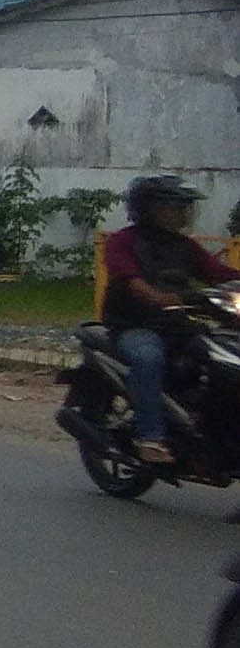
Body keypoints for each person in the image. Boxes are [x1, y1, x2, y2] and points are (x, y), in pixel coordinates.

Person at [100, 175, 239, 466]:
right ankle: (149, 437)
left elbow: (219, 273)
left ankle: (210, 427)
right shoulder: (122, 242)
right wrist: (156, 296)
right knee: (149, 358)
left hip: (177, 324)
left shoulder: (185, 246)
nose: (180, 214)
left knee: (222, 358)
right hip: (134, 324)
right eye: (171, 207)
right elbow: (128, 279)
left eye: (183, 208)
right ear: (147, 209)